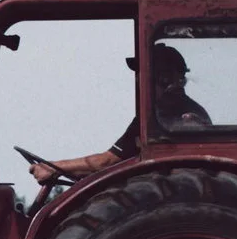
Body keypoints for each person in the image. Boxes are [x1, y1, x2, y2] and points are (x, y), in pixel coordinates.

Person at [28, 43, 208, 184]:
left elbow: (105, 162)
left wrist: (53, 168)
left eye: (143, 73)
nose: (138, 79)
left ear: (163, 78)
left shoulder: (162, 116)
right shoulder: (181, 110)